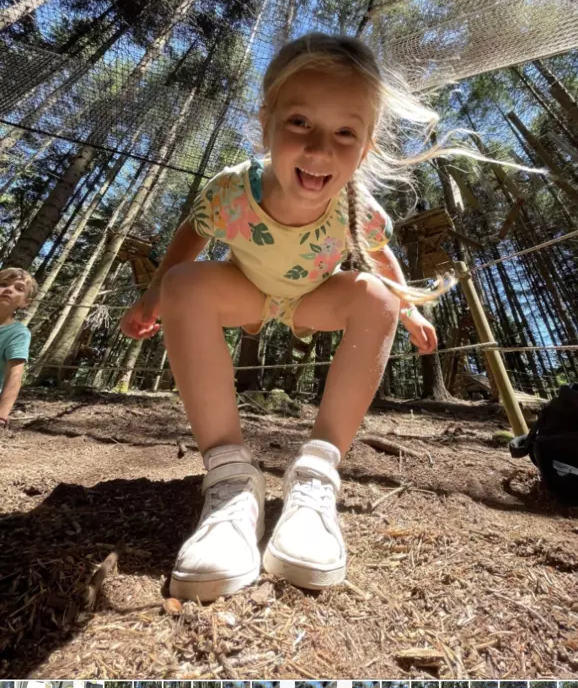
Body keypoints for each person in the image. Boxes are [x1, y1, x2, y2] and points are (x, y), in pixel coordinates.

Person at [120, 32, 454, 602]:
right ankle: (230, 480)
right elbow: (192, 235)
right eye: (300, 122)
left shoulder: (358, 210)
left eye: (344, 133)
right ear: (266, 121)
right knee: (184, 284)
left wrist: (409, 309)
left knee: (374, 293)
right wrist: (154, 294)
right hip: (245, 288)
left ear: (366, 147)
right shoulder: (232, 189)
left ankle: (316, 476)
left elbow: (380, 256)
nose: (321, 150)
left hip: (310, 298)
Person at [0, 268, 38, 429]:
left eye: (19, 288)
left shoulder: (17, 333)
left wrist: (1, 415)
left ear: (25, 303)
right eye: (3, 284)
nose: (8, 289)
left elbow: (14, 377)